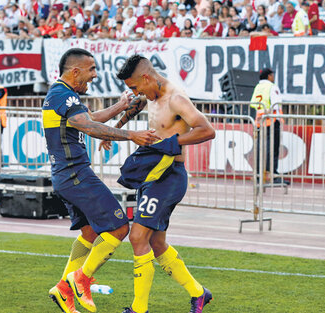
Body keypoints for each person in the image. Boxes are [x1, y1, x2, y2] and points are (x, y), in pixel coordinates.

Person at [45, 48, 160, 313]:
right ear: (76, 72)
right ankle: (75, 283)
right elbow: (88, 126)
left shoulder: (62, 94)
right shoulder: (63, 94)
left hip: (66, 175)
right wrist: (131, 134)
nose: (94, 76)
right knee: (119, 227)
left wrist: (120, 107)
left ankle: (64, 290)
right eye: (91, 70)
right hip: (75, 174)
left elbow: (89, 119)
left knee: (90, 232)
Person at [100, 54, 216, 313]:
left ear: (146, 77)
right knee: (156, 243)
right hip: (154, 175)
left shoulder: (176, 98)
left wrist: (170, 143)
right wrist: (116, 129)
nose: (134, 93)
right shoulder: (150, 93)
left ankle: (138, 309)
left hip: (169, 176)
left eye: (135, 87)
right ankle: (199, 293)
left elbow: (207, 130)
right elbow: (138, 105)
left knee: (138, 236)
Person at [250, 68, 289, 185]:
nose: (273, 77)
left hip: (259, 121)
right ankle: (272, 174)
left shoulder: (258, 87)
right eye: (272, 75)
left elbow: (252, 103)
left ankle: (258, 174)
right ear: (269, 76)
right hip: (272, 120)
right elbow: (276, 103)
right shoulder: (272, 87)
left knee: (259, 148)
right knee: (272, 149)